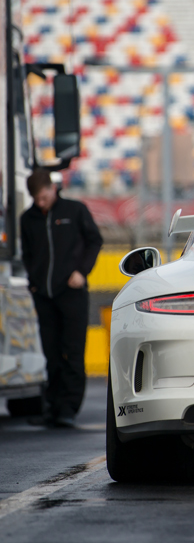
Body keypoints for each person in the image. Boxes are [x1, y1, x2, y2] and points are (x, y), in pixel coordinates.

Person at [20, 168, 103, 427]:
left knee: (73, 351)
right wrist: (34, 283)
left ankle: (69, 407)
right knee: (51, 352)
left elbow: (95, 241)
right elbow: (28, 253)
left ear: (52, 189)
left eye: (43, 197)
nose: (40, 202)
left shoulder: (75, 210)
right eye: (36, 199)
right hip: (43, 295)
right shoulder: (28, 218)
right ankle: (53, 407)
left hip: (72, 293)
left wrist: (82, 272)